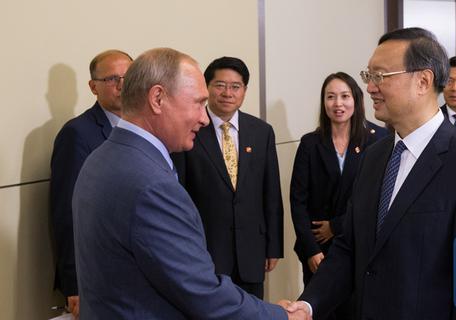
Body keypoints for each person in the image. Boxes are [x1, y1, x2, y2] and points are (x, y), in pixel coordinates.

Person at [72, 48, 309, 320]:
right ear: (158, 98)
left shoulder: (101, 158)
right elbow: (203, 293)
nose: (204, 118)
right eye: (198, 103)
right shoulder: (151, 185)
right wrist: (281, 316)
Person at [287, 27, 456, 319]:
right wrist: (308, 305)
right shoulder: (373, 158)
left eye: (380, 76)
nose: (370, 88)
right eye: (369, 76)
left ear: (423, 81)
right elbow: (349, 247)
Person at [171, 56, 283, 299]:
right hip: (206, 249)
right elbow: (180, 192)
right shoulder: (191, 129)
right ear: (207, 87)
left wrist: (273, 246)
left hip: (251, 250)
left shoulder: (261, 131)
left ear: (244, 90)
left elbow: (271, 192)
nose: (227, 93)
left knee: (252, 312)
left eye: (236, 86)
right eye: (220, 85)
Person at [290, 72, 386, 319]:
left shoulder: (378, 140)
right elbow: (298, 200)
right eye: (330, 97)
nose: (338, 104)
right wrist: (311, 250)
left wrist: (335, 226)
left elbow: (375, 199)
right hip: (317, 250)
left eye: (344, 96)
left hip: (358, 244)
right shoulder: (310, 143)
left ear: (356, 99)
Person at [50, 49, 132, 318]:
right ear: (92, 87)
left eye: (128, 76)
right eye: (112, 79)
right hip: (97, 275)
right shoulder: (77, 133)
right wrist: (74, 283)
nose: (122, 85)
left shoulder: (146, 127)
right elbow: (66, 212)